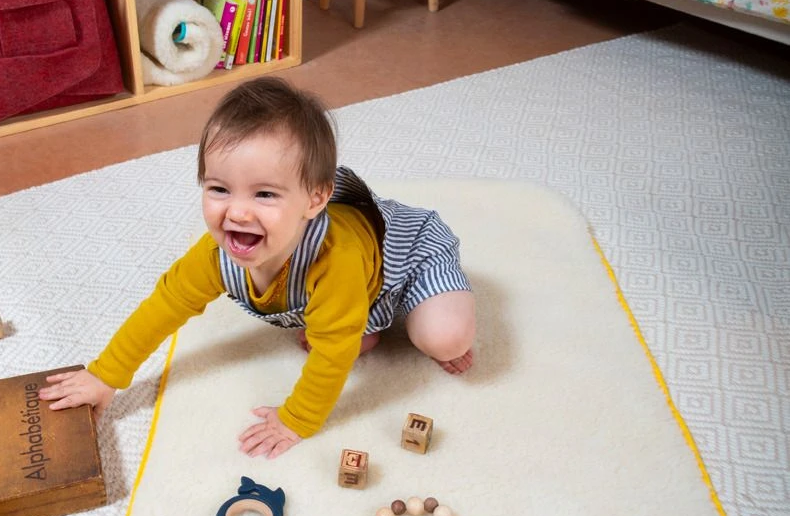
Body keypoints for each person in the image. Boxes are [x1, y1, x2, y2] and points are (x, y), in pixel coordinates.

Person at [39, 77, 475, 458]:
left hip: (413, 257)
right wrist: (104, 375)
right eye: (220, 189)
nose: (238, 213)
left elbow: (332, 355)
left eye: (264, 194)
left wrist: (296, 419)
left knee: (442, 339)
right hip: (358, 289)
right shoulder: (215, 255)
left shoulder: (333, 260)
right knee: (330, 329)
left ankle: (430, 316)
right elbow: (164, 307)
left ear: (314, 199)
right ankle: (362, 323)